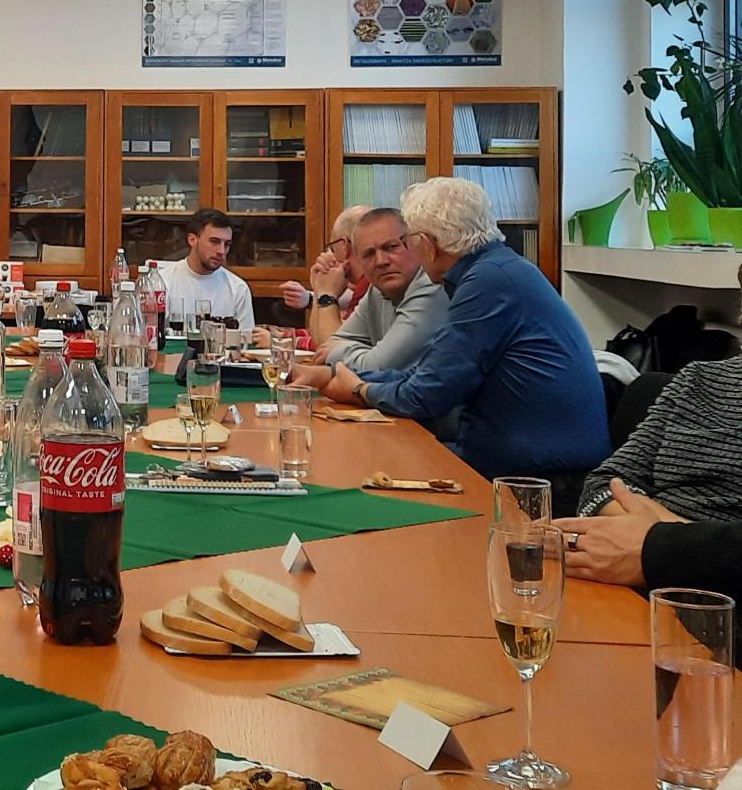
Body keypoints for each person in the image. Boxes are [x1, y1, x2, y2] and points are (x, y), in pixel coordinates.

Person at [298, 177, 609, 480]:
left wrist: (360, 390)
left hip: (534, 477)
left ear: (426, 244)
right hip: (516, 459)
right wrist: (336, 377)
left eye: (406, 241)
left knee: (349, 468)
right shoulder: (496, 270)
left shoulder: (488, 282)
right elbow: (430, 374)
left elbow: (426, 395)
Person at [572, 355, 742, 521]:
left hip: (664, 533)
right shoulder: (697, 379)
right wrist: (652, 530)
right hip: (634, 530)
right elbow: (603, 483)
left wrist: (660, 534)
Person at [309, 207, 447, 374]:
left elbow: (378, 367)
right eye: (369, 254)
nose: (381, 261)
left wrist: (341, 353)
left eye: (391, 247)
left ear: (415, 244)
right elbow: (331, 344)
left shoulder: (432, 285)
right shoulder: (377, 289)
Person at [556, 478, 736, 601]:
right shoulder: (672, 428)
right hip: (626, 572)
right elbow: (601, 485)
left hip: (720, 607)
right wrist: (667, 537)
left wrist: (662, 542)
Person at [156, 209, 253, 331]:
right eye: (214, 242)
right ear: (192, 240)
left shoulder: (238, 289)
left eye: (227, 244)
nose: (221, 251)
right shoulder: (163, 282)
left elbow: (246, 338)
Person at [281, 204, 369, 317]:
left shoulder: (369, 283)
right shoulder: (365, 285)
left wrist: (324, 293)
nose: (328, 256)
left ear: (344, 246)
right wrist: (316, 295)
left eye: (332, 248)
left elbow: (328, 330)